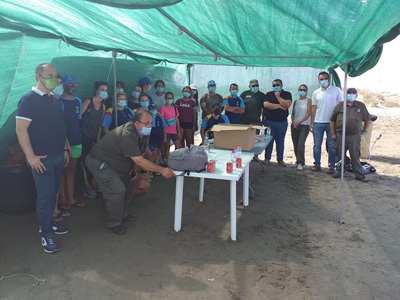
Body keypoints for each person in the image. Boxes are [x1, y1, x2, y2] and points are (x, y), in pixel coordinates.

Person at [86, 110, 176, 234]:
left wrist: (133, 170)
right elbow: (139, 159)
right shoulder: (127, 134)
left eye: (151, 123)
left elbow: (140, 153)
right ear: (136, 123)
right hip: (100, 162)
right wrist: (161, 170)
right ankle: (114, 222)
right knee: (118, 189)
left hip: (118, 162)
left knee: (131, 183)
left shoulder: (143, 132)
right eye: (147, 123)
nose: (150, 126)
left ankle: (122, 213)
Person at [16, 63, 70, 253]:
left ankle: (50, 223)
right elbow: (20, 129)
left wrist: (64, 149)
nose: (54, 78)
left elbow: (59, 127)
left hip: (57, 156)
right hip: (41, 159)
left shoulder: (54, 100)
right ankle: (46, 233)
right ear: (38, 76)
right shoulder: (28, 100)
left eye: (55, 75)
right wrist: (30, 157)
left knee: (53, 192)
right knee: (45, 197)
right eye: (50, 75)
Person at [330, 88, 371, 182]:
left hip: (354, 136)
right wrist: (333, 133)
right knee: (340, 155)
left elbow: (367, 120)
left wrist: (363, 130)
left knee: (355, 155)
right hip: (340, 135)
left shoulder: (361, 106)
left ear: (356, 95)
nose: (351, 94)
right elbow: (332, 120)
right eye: (349, 93)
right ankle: (339, 172)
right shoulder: (340, 105)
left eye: (353, 93)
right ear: (345, 94)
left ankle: (359, 175)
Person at [58, 75, 85, 210]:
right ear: (63, 85)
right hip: (63, 143)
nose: (72, 86)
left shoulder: (78, 101)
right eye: (69, 84)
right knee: (62, 172)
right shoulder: (59, 101)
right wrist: (64, 143)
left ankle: (71, 198)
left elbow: (77, 120)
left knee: (72, 170)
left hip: (76, 141)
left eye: (74, 83)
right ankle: (62, 200)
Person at [310, 71, 343, 173]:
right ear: (318, 80)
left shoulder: (336, 90)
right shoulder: (315, 92)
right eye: (321, 79)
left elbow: (341, 106)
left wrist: (339, 121)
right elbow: (314, 108)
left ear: (328, 79)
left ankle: (332, 166)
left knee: (332, 145)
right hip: (318, 122)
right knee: (317, 145)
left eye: (325, 79)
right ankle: (317, 164)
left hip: (331, 123)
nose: (323, 81)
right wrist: (311, 123)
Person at [80, 81, 107, 199]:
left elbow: (100, 124)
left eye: (106, 90)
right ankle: (87, 187)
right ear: (96, 90)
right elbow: (77, 118)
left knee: (94, 162)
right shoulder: (88, 102)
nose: (104, 92)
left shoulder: (103, 106)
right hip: (83, 136)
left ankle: (94, 184)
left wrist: (97, 139)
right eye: (102, 89)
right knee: (84, 162)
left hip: (94, 138)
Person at [263, 79, 292, 166]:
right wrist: (280, 105)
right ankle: (267, 158)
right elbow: (266, 105)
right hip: (269, 122)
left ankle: (280, 160)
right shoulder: (268, 94)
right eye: (274, 85)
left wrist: (278, 97)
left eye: (277, 85)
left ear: (281, 85)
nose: (276, 86)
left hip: (282, 122)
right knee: (268, 141)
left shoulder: (287, 94)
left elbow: (287, 104)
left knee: (280, 141)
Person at [291, 84, 312, 170]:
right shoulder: (296, 101)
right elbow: (293, 113)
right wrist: (293, 122)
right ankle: (297, 160)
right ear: (298, 90)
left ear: (306, 91)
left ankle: (301, 163)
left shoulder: (308, 100)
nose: (302, 91)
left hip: (304, 125)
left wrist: (299, 122)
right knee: (295, 144)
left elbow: (308, 113)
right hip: (294, 125)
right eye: (301, 89)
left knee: (300, 144)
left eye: (304, 90)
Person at [160, 92, 181, 159]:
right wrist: (164, 135)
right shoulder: (163, 108)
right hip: (166, 131)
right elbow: (162, 121)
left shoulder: (175, 108)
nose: (169, 99)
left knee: (178, 145)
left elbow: (177, 120)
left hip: (174, 131)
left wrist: (179, 131)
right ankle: (168, 161)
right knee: (167, 147)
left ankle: (176, 158)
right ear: (165, 99)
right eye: (168, 98)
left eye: (171, 98)